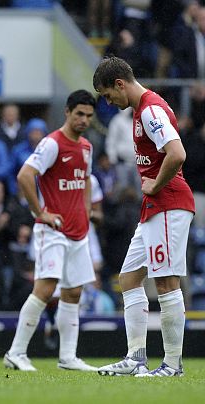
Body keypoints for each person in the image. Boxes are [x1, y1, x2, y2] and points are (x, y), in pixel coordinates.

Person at [94, 56, 195, 377]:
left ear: (120, 84)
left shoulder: (150, 109)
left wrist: (156, 182)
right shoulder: (142, 110)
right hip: (154, 207)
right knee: (128, 278)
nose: (110, 102)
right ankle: (136, 357)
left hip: (168, 202)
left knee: (165, 281)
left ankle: (173, 365)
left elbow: (177, 153)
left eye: (109, 95)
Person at [3, 90, 99, 372]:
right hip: (53, 230)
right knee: (45, 288)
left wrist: (87, 212)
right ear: (67, 112)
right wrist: (39, 212)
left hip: (78, 231)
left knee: (73, 293)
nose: (84, 120)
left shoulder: (86, 147)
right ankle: (16, 352)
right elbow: (24, 175)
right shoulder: (52, 143)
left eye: (89, 116)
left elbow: (86, 181)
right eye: (79, 114)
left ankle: (68, 357)